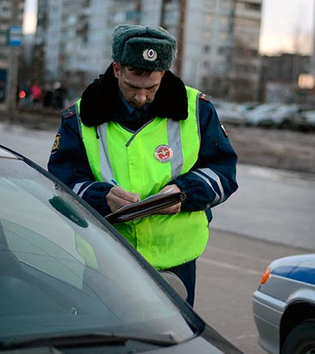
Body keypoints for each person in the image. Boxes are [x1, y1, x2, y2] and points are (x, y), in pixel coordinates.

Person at [48, 24, 238, 306]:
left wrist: (182, 193)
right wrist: (101, 197)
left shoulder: (197, 108)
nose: (141, 97)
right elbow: (59, 184)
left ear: (163, 73)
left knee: (172, 346)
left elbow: (224, 174)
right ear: (117, 69)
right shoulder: (78, 116)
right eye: (133, 87)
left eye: (151, 88)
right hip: (106, 258)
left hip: (176, 260)